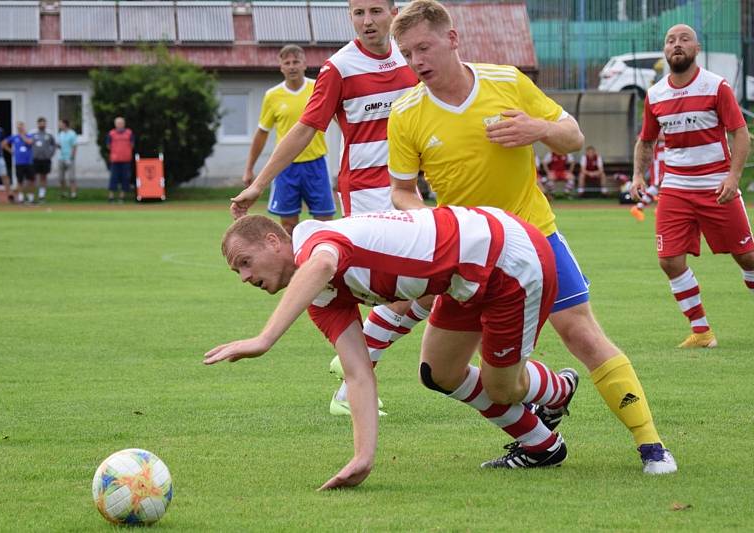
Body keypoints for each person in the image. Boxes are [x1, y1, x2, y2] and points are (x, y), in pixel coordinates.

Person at [387, 0, 675, 474]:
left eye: (424, 47)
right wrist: (430, 225)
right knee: (439, 374)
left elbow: (573, 135)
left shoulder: (506, 81)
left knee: (582, 333)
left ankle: (652, 446)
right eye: (406, 52)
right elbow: (401, 191)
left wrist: (537, 128)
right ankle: (555, 395)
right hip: (467, 254)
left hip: (534, 238)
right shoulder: (407, 112)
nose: (416, 60)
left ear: (452, 39)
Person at [205, 208, 579, 489]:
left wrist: (264, 339)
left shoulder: (313, 243)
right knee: (439, 373)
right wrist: (362, 458)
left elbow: (321, 263)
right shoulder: (321, 299)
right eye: (237, 272)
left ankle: (559, 390)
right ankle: (541, 446)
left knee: (502, 387)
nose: (245, 277)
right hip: (461, 281)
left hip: (507, 260)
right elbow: (358, 373)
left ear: (274, 242)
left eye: (245, 263)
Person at [230, 0, 425, 417]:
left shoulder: (413, 59)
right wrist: (259, 183)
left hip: (410, 189)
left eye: (376, 11)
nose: (368, 21)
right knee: (423, 286)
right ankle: (354, 376)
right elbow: (304, 129)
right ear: (350, 18)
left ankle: (358, 362)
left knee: (432, 285)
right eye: (359, 13)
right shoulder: (339, 68)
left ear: (393, 12)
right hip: (369, 198)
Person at [631, 24, 753, 348]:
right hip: (676, 188)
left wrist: (732, 177)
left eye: (685, 39)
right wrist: (637, 176)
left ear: (696, 49)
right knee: (669, 260)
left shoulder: (716, 87)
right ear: (665, 50)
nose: (677, 45)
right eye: (671, 41)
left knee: (747, 258)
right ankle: (702, 332)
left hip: (717, 187)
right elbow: (645, 141)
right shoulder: (655, 94)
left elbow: (741, 134)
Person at [243, 45, 336, 235]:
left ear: (304, 64)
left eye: (296, 62)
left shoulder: (318, 88)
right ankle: (293, 264)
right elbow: (262, 133)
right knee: (288, 225)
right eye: (287, 63)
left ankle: (322, 262)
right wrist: (249, 168)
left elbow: (340, 120)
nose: (292, 66)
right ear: (281, 67)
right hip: (285, 167)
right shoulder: (272, 96)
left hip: (317, 164)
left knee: (325, 223)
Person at [630, 132, 664, 221]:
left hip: (668, 156)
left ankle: (642, 207)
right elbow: (642, 137)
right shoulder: (657, 121)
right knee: (658, 183)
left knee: (664, 183)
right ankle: (641, 207)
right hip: (659, 157)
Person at [1, 122, 35, 204]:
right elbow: (3, 144)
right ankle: (21, 198)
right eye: (18, 127)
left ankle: (31, 198)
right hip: (19, 162)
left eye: (21, 127)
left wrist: (22, 135)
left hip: (28, 162)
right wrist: (11, 151)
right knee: (20, 181)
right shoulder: (14, 137)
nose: (20, 128)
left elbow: (29, 142)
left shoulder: (29, 136)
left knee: (30, 180)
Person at [106, 117, 135, 203]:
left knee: (125, 178)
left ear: (124, 124)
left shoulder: (129, 133)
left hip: (126, 160)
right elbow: (108, 145)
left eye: (121, 123)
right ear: (115, 124)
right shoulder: (111, 133)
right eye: (118, 123)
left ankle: (121, 197)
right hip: (115, 160)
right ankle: (111, 197)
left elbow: (132, 144)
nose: (119, 125)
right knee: (113, 178)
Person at [31, 117, 57, 203]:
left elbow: (54, 145)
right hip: (35, 159)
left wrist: (51, 154)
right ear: (38, 124)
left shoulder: (49, 134)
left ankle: (42, 195)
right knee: (34, 177)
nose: (42, 125)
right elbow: (29, 143)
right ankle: (32, 196)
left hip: (45, 159)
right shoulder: (33, 133)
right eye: (40, 123)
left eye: (44, 123)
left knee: (43, 177)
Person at [57, 119, 79, 199]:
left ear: (65, 124)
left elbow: (74, 146)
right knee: (61, 178)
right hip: (61, 158)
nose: (59, 125)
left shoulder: (72, 134)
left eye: (60, 124)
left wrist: (72, 157)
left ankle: (73, 194)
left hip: (69, 158)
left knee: (71, 177)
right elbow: (59, 145)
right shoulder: (60, 134)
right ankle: (63, 193)